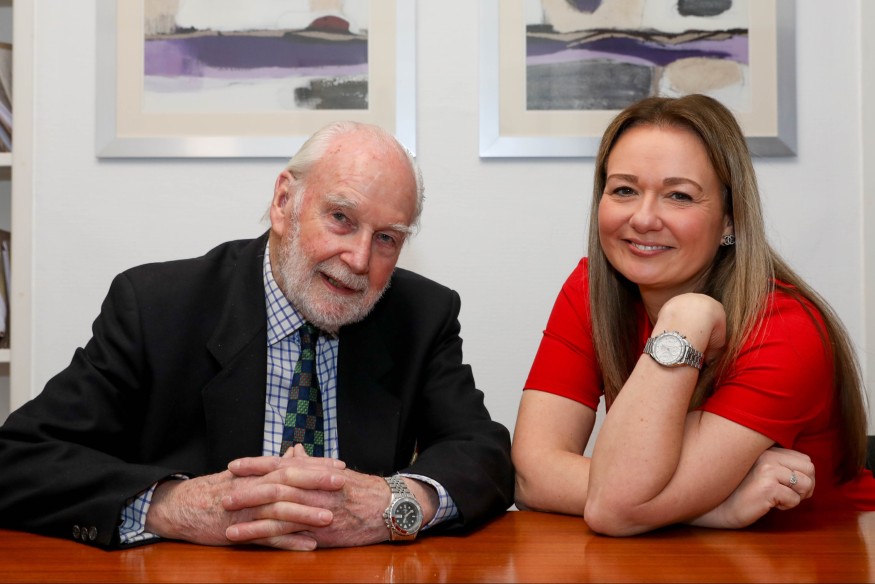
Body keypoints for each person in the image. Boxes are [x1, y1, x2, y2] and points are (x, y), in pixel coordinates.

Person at [0, 121, 514, 550]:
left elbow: (484, 454)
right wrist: (172, 507)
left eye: (386, 239)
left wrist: (396, 504)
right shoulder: (157, 307)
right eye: (341, 218)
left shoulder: (421, 314)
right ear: (284, 201)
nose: (359, 260)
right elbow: (18, 460)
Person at [512, 94, 875, 536]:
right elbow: (531, 478)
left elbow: (616, 504)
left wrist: (686, 317)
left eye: (679, 195)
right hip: (675, 549)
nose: (644, 218)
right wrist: (715, 507)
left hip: (826, 550)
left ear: (730, 220)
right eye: (624, 189)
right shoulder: (591, 289)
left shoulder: (785, 329)